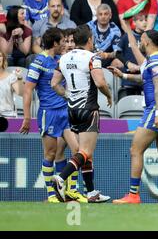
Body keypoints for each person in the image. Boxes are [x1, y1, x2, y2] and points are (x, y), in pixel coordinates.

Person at [112, 28, 158, 205]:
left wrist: (157, 113)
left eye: (141, 39)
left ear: (147, 41)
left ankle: (133, 195)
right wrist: (124, 75)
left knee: (135, 150)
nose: (140, 42)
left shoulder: (155, 60)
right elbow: (147, 79)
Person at [18, 28, 84, 203]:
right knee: (50, 154)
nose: (65, 43)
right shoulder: (38, 62)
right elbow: (27, 90)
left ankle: (71, 191)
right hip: (49, 113)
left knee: (77, 150)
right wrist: (26, 118)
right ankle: (52, 195)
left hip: (65, 112)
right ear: (55, 43)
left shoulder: (60, 60)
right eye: (63, 40)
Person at [49, 25, 113, 203]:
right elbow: (100, 82)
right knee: (85, 151)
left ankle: (91, 193)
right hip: (89, 109)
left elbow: (54, 83)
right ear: (90, 40)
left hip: (72, 110)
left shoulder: (63, 58)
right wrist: (109, 95)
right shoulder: (92, 57)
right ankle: (61, 178)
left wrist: (68, 95)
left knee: (85, 154)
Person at [87, 4, 122, 68]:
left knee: (119, 63)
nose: (103, 17)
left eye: (106, 14)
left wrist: (106, 55)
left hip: (106, 59)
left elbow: (117, 52)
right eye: (100, 14)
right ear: (96, 16)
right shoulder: (89, 26)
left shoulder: (115, 31)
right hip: (90, 58)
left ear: (110, 15)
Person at [0, 51, 23, 118]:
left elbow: (21, 93)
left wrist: (19, 77)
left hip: (8, 115)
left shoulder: (11, 77)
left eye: (0, 56)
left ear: (3, 59)